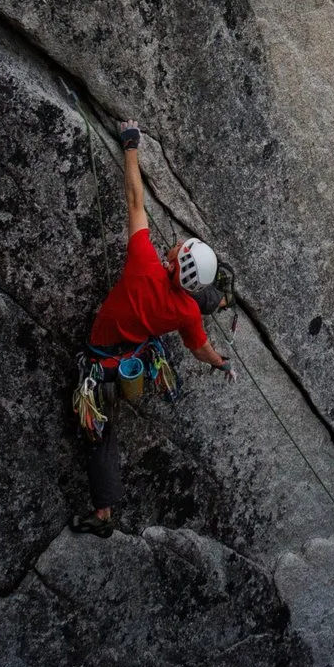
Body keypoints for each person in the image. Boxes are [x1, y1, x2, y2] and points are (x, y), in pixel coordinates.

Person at [75, 119, 229, 535]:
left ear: (175, 262)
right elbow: (199, 350)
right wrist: (221, 364)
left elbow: (134, 200)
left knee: (100, 436)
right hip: (140, 354)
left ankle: (104, 514)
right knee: (194, 302)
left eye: (180, 247)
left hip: (103, 362)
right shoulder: (187, 312)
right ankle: (225, 296)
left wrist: (130, 145)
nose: (176, 242)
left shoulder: (144, 260)